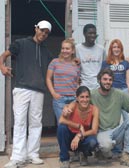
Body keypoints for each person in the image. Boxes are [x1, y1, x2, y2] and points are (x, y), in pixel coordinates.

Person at [0, 20, 52, 168]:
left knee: (36, 123)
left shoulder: (46, 51)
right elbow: (3, 56)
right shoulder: (21, 43)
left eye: (47, 33)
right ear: (35, 28)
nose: (44, 34)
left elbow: (57, 64)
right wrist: (2, 67)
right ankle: (17, 157)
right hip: (21, 88)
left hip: (39, 91)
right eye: (42, 30)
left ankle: (32, 155)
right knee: (20, 123)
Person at [91, 68, 129, 167]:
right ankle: (101, 151)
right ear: (99, 80)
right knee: (106, 145)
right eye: (105, 79)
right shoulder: (92, 95)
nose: (107, 82)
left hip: (117, 131)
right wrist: (67, 108)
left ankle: (126, 155)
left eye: (110, 80)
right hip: (101, 132)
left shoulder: (119, 94)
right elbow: (78, 104)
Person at [58, 86, 99, 168]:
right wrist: (78, 126)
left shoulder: (94, 109)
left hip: (83, 137)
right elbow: (61, 120)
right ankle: (64, 159)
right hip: (70, 137)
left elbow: (94, 130)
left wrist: (79, 135)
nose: (85, 100)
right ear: (77, 98)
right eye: (82, 97)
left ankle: (83, 154)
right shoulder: (73, 105)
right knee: (61, 128)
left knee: (93, 142)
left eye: (87, 97)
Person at [46, 38, 80, 122]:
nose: (64, 51)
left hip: (73, 99)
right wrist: (53, 93)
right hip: (60, 99)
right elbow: (48, 78)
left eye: (67, 48)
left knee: (73, 125)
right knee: (62, 125)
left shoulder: (76, 65)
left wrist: (77, 96)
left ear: (72, 51)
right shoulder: (55, 62)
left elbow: (77, 81)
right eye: (63, 48)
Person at [75, 23, 106, 90]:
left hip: (98, 85)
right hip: (83, 85)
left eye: (94, 33)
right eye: (90, 33)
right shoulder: (77, 48)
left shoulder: (101, 49)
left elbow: (104, 66)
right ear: (84, 34)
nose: (93, 35)